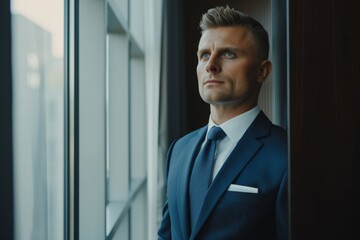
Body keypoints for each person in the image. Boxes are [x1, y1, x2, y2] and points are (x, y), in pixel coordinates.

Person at [158, 5, 288, 240]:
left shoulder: (287, 156)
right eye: (204, 55)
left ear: (262, 71)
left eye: (228, 54)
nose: (211, 65)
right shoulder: (178, 150)